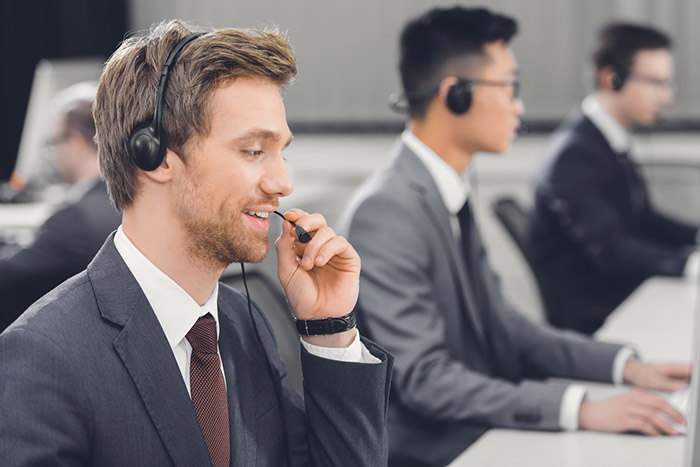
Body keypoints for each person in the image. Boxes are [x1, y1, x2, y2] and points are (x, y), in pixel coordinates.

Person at [0, 20, 392, 466]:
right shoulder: (43, 358)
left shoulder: (244, 324)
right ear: (155, 155)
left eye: (282, 151)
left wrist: (330, 328)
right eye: (253, 150)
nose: (283, 181)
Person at [336, 7, 690, 467]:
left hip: (476, 422)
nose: (519, 106)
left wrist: (625, 365)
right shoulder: (388, 211)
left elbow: (509, 328)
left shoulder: (445, 193)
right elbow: (425, 379)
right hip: (435, 446)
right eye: (510, 87)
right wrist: (579, 408)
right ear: (456, 94)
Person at [528, 23, 699, 335]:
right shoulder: (575, 155)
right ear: (612, 79)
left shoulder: (605, 140)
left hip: (625, 297)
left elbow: (643, 219)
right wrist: (690, 265)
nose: (666, 97)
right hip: (600, 316)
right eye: (655, 83)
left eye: (667, 84)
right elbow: (610, 247)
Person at [0, 83, 121, 332]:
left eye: (54, 143)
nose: (53, 155)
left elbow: (7, 273)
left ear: (75, 141)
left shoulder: (74, 220)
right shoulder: (133, 200)